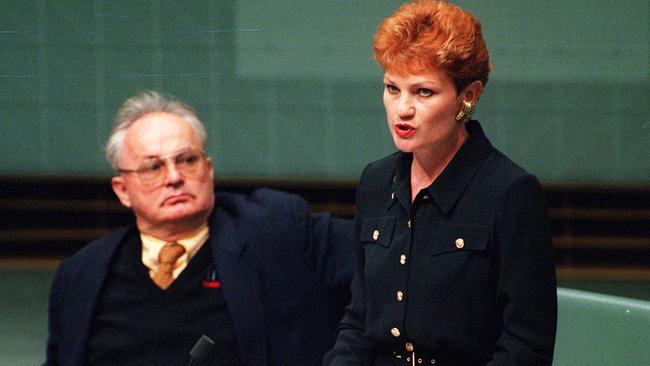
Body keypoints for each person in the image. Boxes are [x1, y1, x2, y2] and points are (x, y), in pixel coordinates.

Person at [45, 91, 355, 366]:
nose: (174, 177)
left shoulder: (276, 230)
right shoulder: (81, 275)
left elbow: (385, 254)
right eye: (153, 167)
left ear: (208, 169)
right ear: (122, 189)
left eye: (187, 160)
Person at [324, 1, 557, 365]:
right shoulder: (375, 181)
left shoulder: (511, 193)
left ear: (469, 96)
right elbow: (358, 322)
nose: (403, 108)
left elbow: (525, 347)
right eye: (392, 88)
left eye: (423, 92)